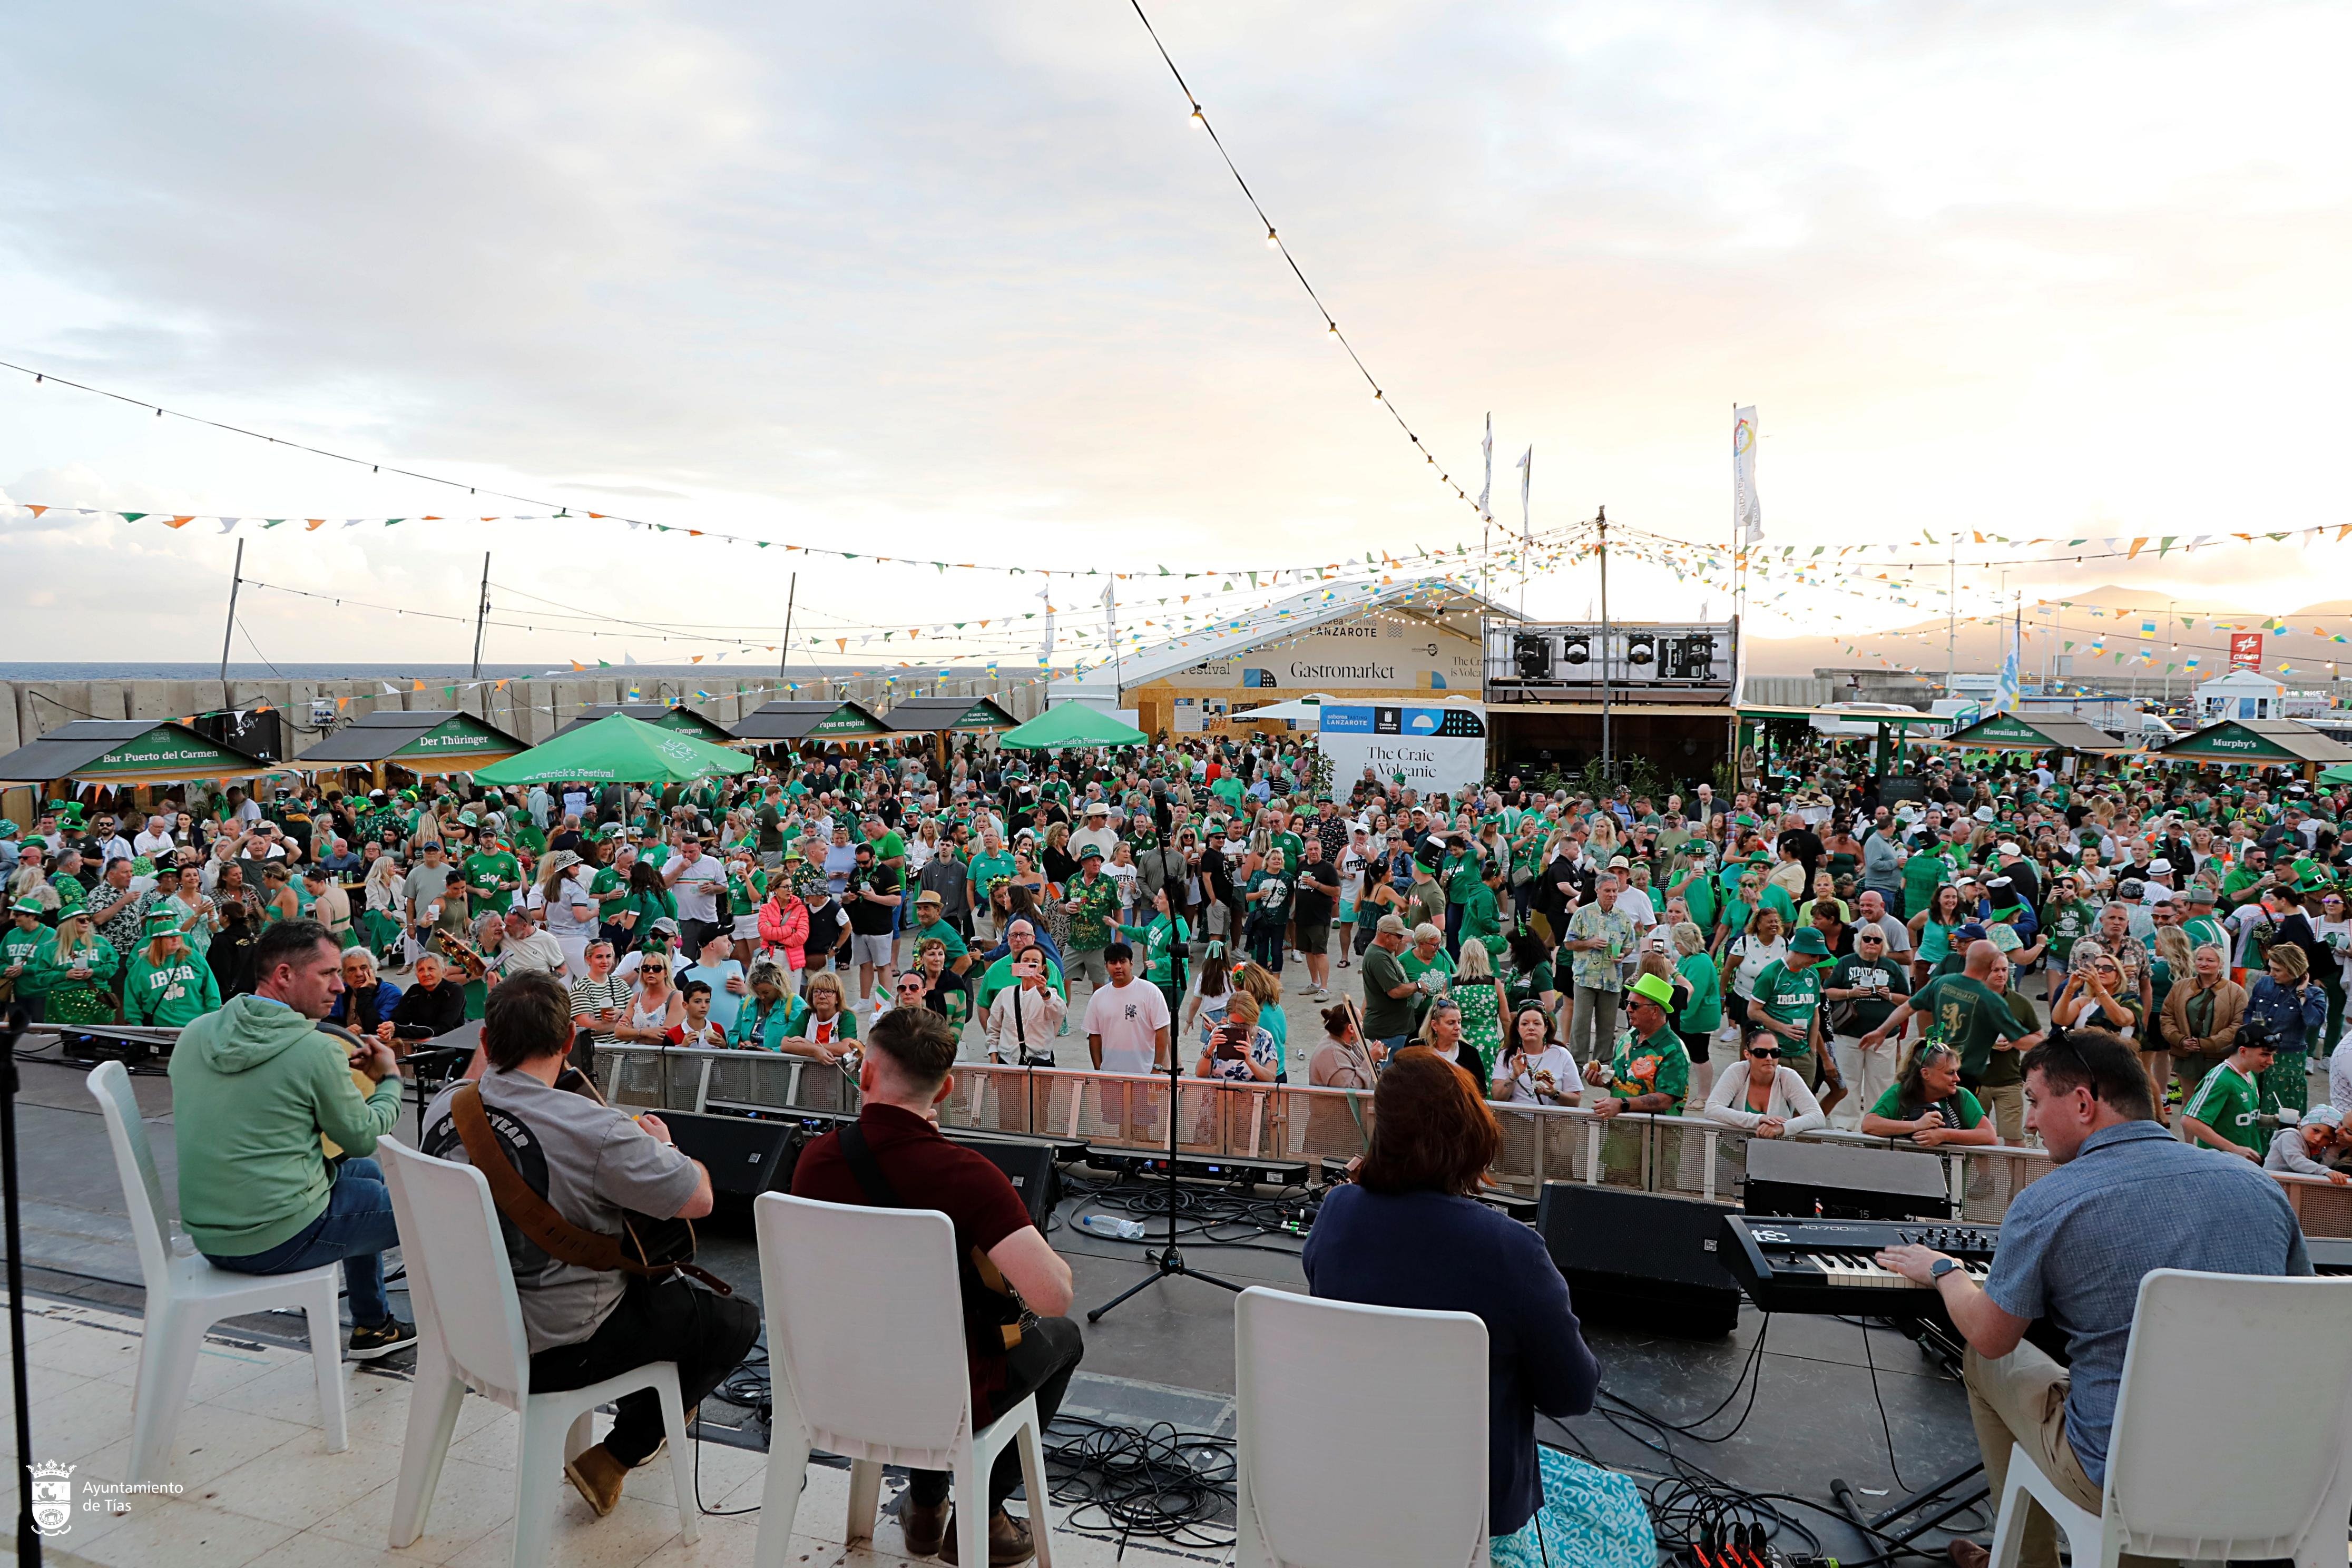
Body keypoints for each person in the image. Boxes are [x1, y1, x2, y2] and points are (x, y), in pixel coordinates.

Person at [1874, 1031, 2309, 1568]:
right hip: (2271, 1474)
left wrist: (1945, 1271)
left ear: (2083, 1103)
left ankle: (2026, 1562)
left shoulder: (2049, 1201)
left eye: (2035, 1101)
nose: (2029, 1122)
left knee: (1989, 1362)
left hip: (2128, 1481)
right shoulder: (2259, 1185)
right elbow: (2305, 1314)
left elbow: (1990, 1336)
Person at [423, 971, 757, 1517]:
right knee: (730, 1319)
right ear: (569, 1041)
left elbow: (479, 1079)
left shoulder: (445, 1106)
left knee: (660, 1305)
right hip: (557, 1348)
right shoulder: (597, 1129)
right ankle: (620, 1452)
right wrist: (668, 1149)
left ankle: (645, 1418)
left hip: (463, 1329)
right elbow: (698, 1199)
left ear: (484, 1041)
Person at [790, 1006, 1083, 1563]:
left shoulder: (814, 1161)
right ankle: (983, 1514)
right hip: (942, 1398)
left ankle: (926, 1508)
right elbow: (1053, 1296)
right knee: (1063, 1338)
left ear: (866, 1075)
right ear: (945, 1089)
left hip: (834, 1382)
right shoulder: (968, 1176)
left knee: (917, 1343)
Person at [1302, 1050, 1600, 1553]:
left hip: (1354, 1488)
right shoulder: (1512, 1250)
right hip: (1474, 1515)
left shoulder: (1338, 1211)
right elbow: (1573, 1394)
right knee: (1616, 1519)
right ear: (1470, 1134)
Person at [169, 919, 415, 1359]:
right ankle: (480, 1335)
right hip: (277, 1237)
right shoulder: (314, 1050)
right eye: (328, 974)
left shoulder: (197, 1033)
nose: (340, 986)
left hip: (211, 1236)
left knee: (364, 1174)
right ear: (284, 975)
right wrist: (390, 1079)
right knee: (448, 1208)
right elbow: (362, 1136)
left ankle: (374, 1326)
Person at [1822, 925, 1910, 1129]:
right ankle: (1843, 1126)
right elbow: (1827, 991)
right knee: (1848, 1080)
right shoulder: (1845, 962)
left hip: (1884, 1036)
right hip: (1848, 1033)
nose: (1872, 943)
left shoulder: (1891, 966)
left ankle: (1877, 1123)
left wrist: (1889, 995)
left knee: (1880, 1082)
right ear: (1859, 941)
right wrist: (1850, 993)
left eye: (1877, 940)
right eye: (1867, 939)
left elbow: (1907, 999)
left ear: (1883, 945)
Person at [1582, 972, 1690, 1116]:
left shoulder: (1674, 1050)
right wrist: (1603, 1080)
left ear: (1655, 1011)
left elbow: (1665, 1099)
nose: (1628, 1009)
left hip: (1653, 1129)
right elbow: (1626, 1082)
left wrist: (1622, 1104)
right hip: (1621, 1127)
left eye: (1635, 1005)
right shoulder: (1628, 1037)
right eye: (1627, 1003)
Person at [1858, 1041, 1998, 1145]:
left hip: (1950, 1176)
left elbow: (1989, 1136)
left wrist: (1944, 1135)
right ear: (1926, 1074)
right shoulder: (1900, 1093)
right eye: (1950, 1073)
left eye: (1957, 1072)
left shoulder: (1962, 1096)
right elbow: (1869, 1124)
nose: (1957, 1079)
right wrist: (1916, 1125)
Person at [1561, 874, 1635, 1063]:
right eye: (1607, 891)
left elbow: (1630, 944)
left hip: (1612, 979)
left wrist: (1623, 954)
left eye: (1615, 891)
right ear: (1597, 891)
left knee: (1607, 1027)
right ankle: (1578, 1064)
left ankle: (1603, 1065)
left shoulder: (1622, 917)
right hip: (1586, 978)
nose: (1612, 895)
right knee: (1580, 1025)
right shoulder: (1583, 914)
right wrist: (1590, 943)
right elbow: (1569, 944)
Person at [1702, 1032, 1827, 1138]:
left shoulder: (1788, 1076)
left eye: (1775, 1052)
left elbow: (1817, 1117)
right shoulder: (1737, 1071)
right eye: (1761, 1052)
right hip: (1733, 1151)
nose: (1769, 1058)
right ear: (1748, 1055)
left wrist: (1783, 1127)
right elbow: (1712, 1109)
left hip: (1776, 1152)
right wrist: (1758, 1119)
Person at [2180, 1027, 2273, 1160]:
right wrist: (2233, 1149)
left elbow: (2244, 1117)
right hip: (2220, 1163)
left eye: (2272, 1055)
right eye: (2265, 1055)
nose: (2271, 1061)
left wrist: (2272, 1121)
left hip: (2244, 1162)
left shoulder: (2249, 1074)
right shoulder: (2221, 1079)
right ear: (2243, 1051)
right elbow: (2190, 1120)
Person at [123, 906, 222, 1026]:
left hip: (196, 1027)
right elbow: (132, 1001)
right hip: (158, 1030)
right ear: (158, 940)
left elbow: (211, 990)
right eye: (170, 937)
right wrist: (138, 1026)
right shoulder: (142, 965)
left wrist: (210, 1019)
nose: (176, 939)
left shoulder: (193, 957)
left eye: (177, 935)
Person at [1082, 942, 1170, 1075]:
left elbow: (1162, 1031)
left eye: (1123, 962)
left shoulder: (1150, 992)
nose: (1118, 966)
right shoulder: (1098, 997)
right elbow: (1094, 1035)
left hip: (1145, 1073)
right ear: (1106, 966)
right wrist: (1099, 1070)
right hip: (1110, 1075)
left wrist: (1157, 1067)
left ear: (1131, 964)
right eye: (1113, 963)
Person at [984, 947, 1066, 1066]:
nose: (1029, 965)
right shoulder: (1006, 994)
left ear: (1042, 968)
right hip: (1008, 1061)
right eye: (1026, 961)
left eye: (1035, 962)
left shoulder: (1050, 994)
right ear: (1018, 965)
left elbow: (1060, 1013)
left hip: (1039, 1063)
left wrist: (1045, 993)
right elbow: (993, 1028)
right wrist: (993, 1057)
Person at [1491, 1004, 1579, 1106]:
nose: (1531, 1028)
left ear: (1545, 1029)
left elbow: (1575, 1102)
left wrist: (1554, 1094)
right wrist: (1513, 1076)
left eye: (1537, 1024)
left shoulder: (1562, 1054)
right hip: (1515, 1115)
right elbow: (1497, 1098)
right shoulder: (1506, 1054)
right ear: (1518, 1029)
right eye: (1525, 1024)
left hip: (1553, 1116)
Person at [1358, 913, 1419, 1055]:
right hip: (1388, 1032)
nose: (1401, 940)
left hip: (1394, 1030)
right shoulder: (1379, 957)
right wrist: (1417, 986)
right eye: (1399, 936)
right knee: (1390, 1069)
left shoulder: (1385, 952)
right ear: (1387, 936)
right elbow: (1395, 991)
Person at [388, 951, 468, 1044]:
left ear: (443, 971)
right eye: (421, 970)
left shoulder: (454, 990)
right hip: (422, 1044)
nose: (426, 974)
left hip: (451, 1045)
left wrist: (399, 1030)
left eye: (431, 969)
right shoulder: (414, 991)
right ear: (416, 974)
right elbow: (398, 1021)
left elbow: (444, 1028)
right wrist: (388, 1029)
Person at [2266, 1103, 2348, 1183]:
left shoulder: (2319, 1150)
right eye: (2316, 1131)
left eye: (2326, 1137)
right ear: (2304, 1124)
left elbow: (2323, 1171)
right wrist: (2325, 1171)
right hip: (2270, 1183)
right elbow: (2297, 1162)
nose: (2318, 1139)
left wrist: (2332, 1152)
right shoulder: (2289, 1136)